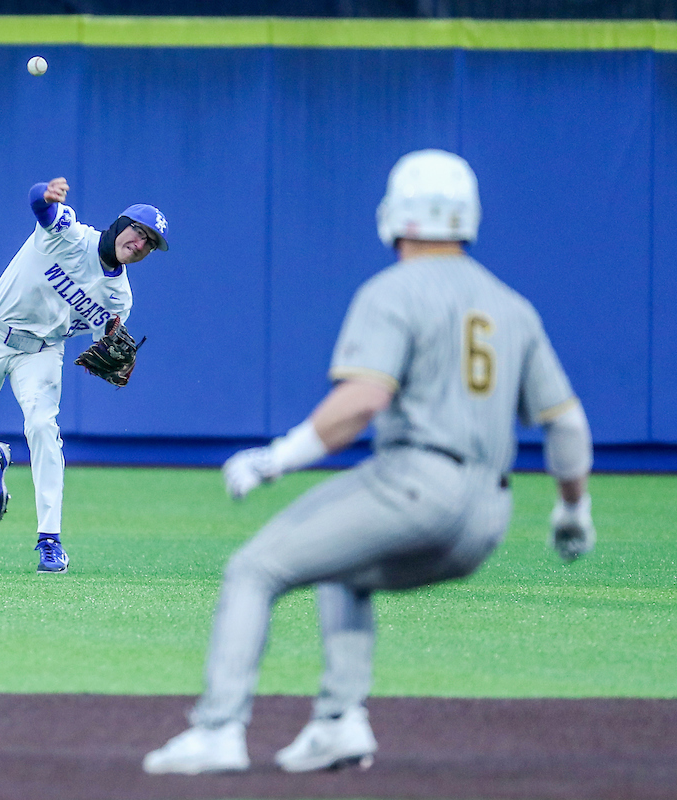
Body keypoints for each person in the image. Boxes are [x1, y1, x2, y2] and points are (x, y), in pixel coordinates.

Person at [142, 149, 595, 775]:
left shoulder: (393, 291)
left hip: (414, 483)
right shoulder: (511, 305)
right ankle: (339, 721)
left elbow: (363, 398)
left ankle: (219, 729)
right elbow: (565, 423)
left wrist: (277, 458)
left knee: (253, 570)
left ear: (399, 215)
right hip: (489, 515)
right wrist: (574, 510)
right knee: (343, 565)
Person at [0, 177, 169, 574]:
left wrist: (115, 350)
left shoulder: (120, 297)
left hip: (43, 352)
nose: (140, 244)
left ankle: (50, 540)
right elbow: (40, 205)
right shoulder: (69, 232)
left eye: (150, 243)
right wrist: (43, 194)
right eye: (139, 231)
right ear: (121, 224)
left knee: (43, 426)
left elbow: (110, 334)